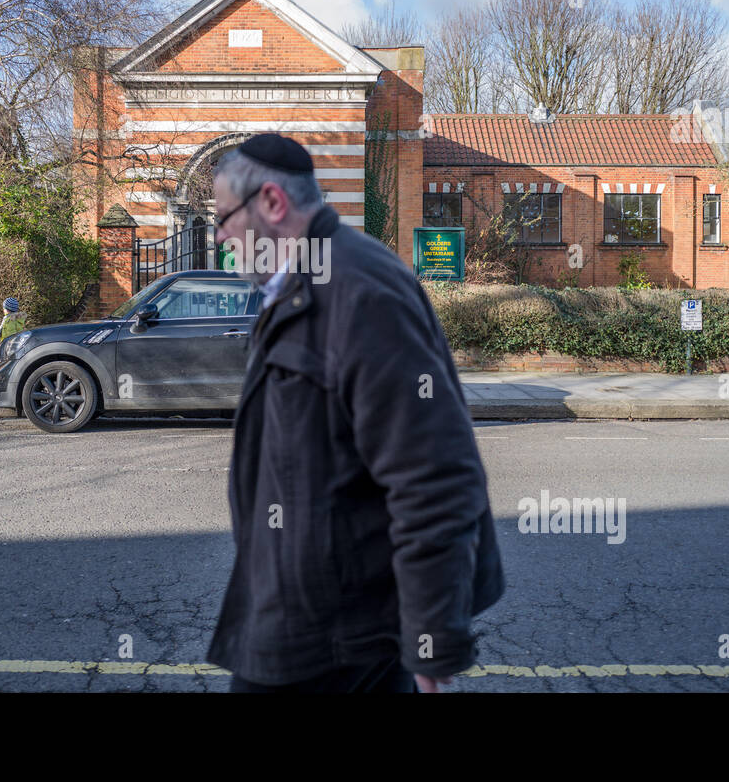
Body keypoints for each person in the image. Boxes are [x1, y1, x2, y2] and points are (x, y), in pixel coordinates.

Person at [206, 133, 505, 693]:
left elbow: (434, 476)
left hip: (340, 638)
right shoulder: (302, 282)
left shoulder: (356, 291)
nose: (219, 237)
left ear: (272, 203)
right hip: (301, 610)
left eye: (223, 218)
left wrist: (431, 640)